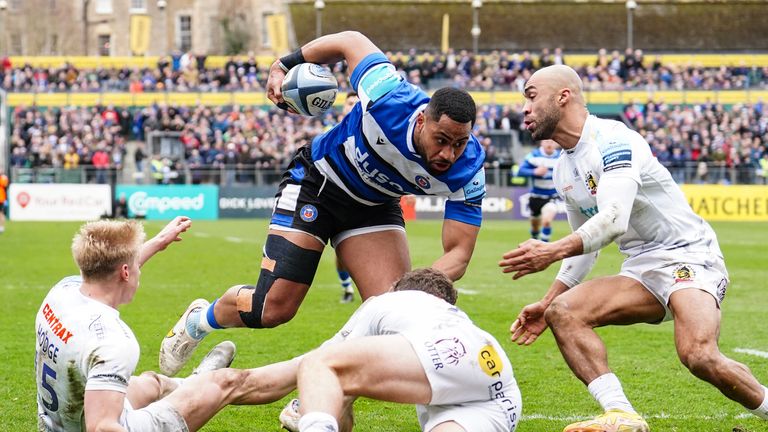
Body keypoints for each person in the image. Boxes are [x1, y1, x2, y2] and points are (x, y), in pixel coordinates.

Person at [159, 30, 487, 376]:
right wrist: (283, 64)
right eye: (442, 140)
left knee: (393, 316)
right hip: (318, 184)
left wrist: (411, 290)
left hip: (373, 208)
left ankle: (319, 402)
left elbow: (459, 254)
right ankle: (200, 321)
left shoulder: (469, 169)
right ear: (421, 120)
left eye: (460, 143)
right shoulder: (388, 95)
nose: (448, 154)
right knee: (272, 309)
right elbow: (351, 39)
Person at [498, 65, 768, 432]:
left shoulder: (614, 140)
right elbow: (585, 248)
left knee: (698, 355)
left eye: (530, 96)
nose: (524, 109)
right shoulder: (564, 170)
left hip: (689, 254)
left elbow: (613, 219)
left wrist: (550, 249)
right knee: (563, 312)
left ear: (564, 96)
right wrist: (546, 302)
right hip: (642, 267)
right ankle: (621, 414)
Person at [286, 268, 522, 432]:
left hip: (456, 366)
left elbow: (325, 370)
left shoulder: (386, 303)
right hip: (501, 391)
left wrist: (312, 411)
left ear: (397, 290)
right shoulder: (455, 319)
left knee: (321, 363)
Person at [516, 139, 561, 242]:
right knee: (535, 226)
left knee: (546, 221)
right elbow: (520, 171)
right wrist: (535, 171)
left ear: (556, 143)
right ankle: (535, 238)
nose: (549, 144)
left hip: (551, 197)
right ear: (542, 143)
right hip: (536, 197)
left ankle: (544, 247)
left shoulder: (560, 157)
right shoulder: (534, 156)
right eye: (547, 141)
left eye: (552, 141)